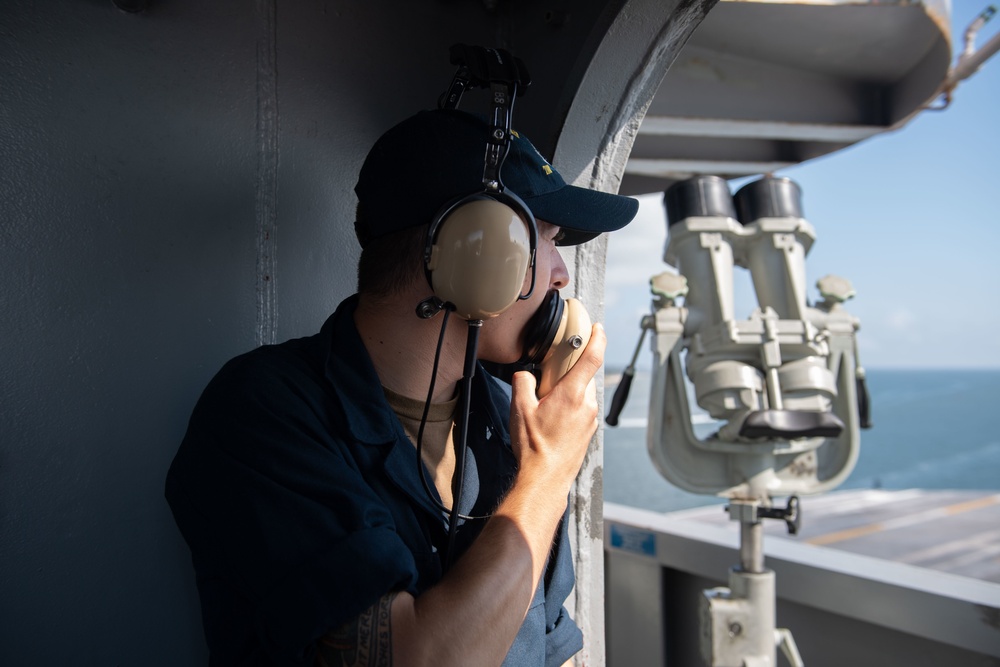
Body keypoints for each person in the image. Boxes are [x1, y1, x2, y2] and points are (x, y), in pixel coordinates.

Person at [165, 108, 638, 666]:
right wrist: (546, 478)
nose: (561, 275)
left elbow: (550, 647)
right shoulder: (261, 413)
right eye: (550, 241)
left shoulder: (514, 415)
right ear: (478, 254)